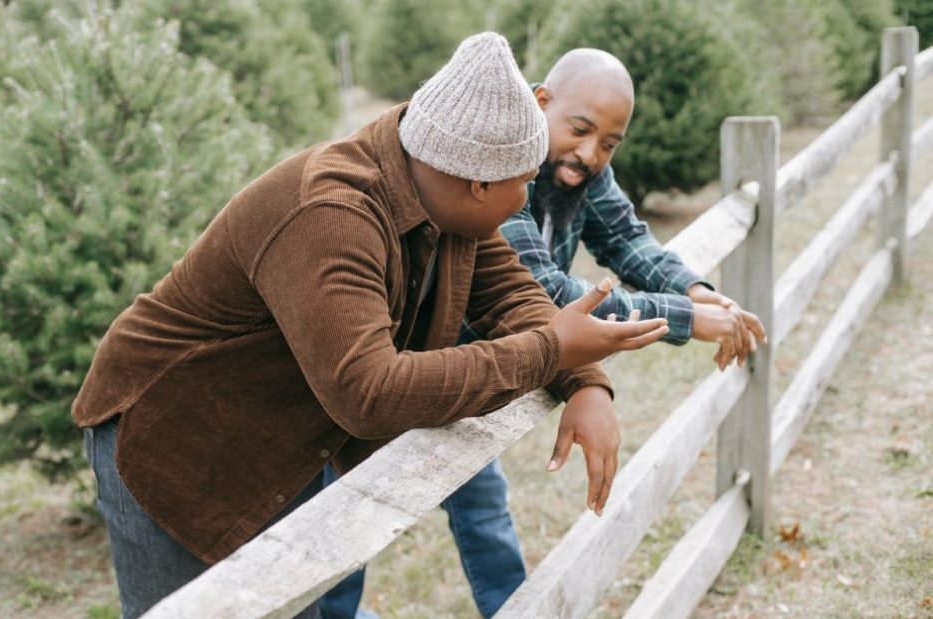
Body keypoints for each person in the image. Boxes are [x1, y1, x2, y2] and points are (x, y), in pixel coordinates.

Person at [72, 34, 670, 619]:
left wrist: (584, 381)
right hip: (173, 435)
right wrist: (550, 351)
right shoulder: (332, 212)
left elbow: (514, 295)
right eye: (522, 180)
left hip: (285, 439)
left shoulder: (444, 189)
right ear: (479, 181)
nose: (525, 200)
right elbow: (370, 392)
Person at [319, 48, 768, 619]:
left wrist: (695, 290)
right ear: (540, 103)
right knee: (350, 510)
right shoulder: (501, 167)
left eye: (609, 143)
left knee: (483, 507)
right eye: (580, 131)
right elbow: (548, 291)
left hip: (488, 371)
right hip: (427, 361)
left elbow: (627, 238)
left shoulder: (582, 171)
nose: (590, 153)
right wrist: (686, 319)